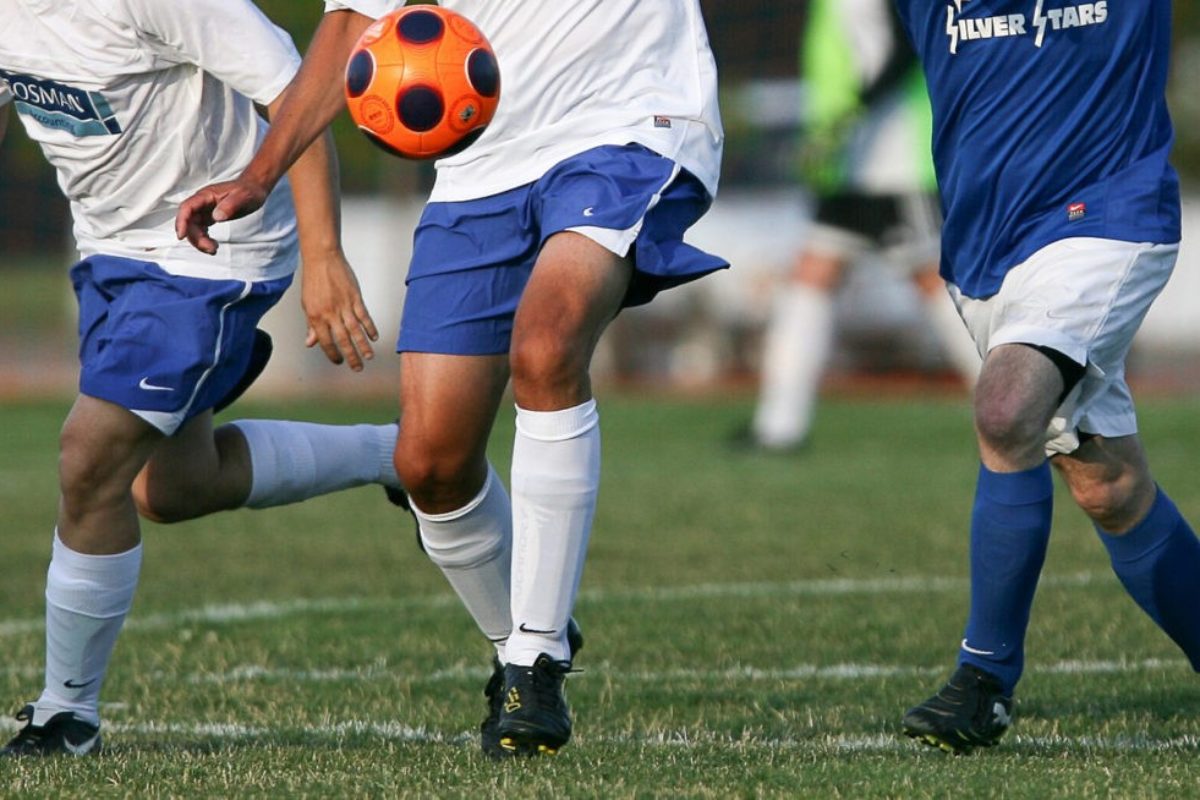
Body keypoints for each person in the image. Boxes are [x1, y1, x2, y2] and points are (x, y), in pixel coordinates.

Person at [176, 0, 725, 759]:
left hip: (626, 125)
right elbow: (347, 35)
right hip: (481, 167)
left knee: (546, 345)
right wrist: (259, 175)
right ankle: (523, 641)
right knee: (430, 465)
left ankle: (534, 660)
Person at [0, 0, 408, 757]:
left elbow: (298, 96)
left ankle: (67, 713)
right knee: (172, 488)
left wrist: (325, 257)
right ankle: (395, 458)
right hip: (109, 255)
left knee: (89, 458)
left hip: (213, 248)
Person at [895, 0, 1195, 753]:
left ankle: (984, 681)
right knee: (1111, 489)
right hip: (986, 248)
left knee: (1007, 407)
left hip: (1107, 218)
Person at [744, 0, 979, 453]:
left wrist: (853, 112)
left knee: (935, 282)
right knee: (812, 276)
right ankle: (779, 427)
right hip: (848, 163)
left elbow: (908, 46)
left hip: (895, 161)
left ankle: (1016, 407)